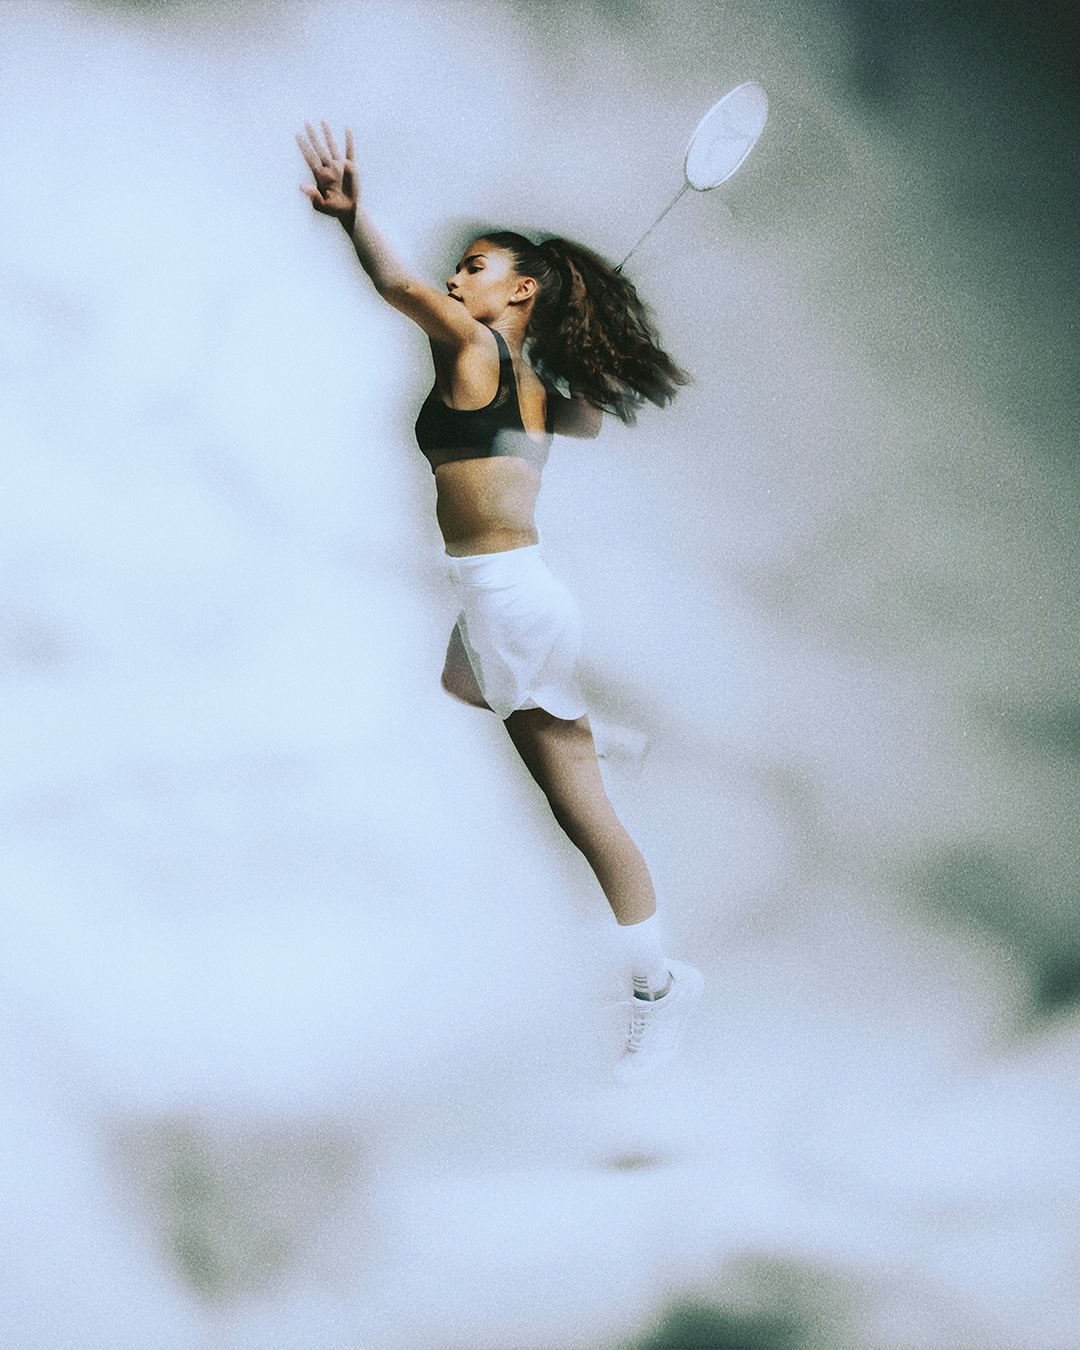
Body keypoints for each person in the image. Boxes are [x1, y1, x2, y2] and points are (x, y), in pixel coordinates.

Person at [297, 121, 702, 1081]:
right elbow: (589, 420)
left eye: (475, 268)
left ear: (518, 291)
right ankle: (584, 729)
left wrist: (354, 220)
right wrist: (558, 354)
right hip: (503, 601)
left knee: (581, 815)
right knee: (460, 679)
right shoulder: (532, 386)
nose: (454, 279)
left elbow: (400, 287)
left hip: (512, 602)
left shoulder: (477, 351)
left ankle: (659, 990)